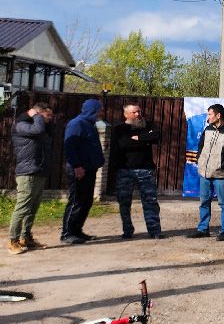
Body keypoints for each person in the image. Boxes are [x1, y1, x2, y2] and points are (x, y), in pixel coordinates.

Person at [188, 103, 224, 241]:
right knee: (204, 202)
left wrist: (223, 164)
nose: (208, 117)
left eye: (210, 114)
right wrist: (200, 159)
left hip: (221, 175)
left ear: (218, 115)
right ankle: (203, 229)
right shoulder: (208, 129)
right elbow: (201, 146)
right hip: (205, 174)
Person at [109, 103, 163, 239]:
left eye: (139, 111)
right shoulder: (120, 129)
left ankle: (155, 231)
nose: (138, 114)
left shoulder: (147, 125)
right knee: (124, 202)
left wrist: (139, 138)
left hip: (145, 169)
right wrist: (145, 140)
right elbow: (123, 144)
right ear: (126, 114)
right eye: (134, 112)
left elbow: (157, 136)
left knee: (150, 201)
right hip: (125, 170)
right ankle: (127, 230)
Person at [7, 102, 53, 254]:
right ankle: (12, 241)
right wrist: (36, 116)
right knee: (22, 207)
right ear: (37, 114)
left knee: (33, 208)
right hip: (27, 173)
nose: (50, 119)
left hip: (39, 171)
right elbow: (37, 129)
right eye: (48, 115)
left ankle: (25, 238)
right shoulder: (21, 125)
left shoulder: (40, 127)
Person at [61, 98, 104, 245]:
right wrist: (77, 166)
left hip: (89, 169)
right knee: (76, 201)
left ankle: (77, 230)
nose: (101, 112)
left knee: (86, 201)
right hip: (79, 169)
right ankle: (67, 233)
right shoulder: (77, 124)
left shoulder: (89, 125)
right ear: (92, 110)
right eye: (99, 109)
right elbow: (70, 147)